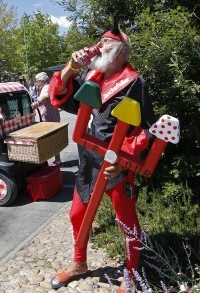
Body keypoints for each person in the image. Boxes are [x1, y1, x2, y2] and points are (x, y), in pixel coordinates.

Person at [48, 29, 156, 292]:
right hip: (87, 162)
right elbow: (59, 93)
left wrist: (124, 160)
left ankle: (131, 272)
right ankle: (79, 263)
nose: (99, 43)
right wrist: (71, 66)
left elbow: (146, 128)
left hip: (115, 165)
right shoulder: (90, 76)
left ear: (120, 50)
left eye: (106, 41)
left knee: (127, 221)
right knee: (76, 214)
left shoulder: (134, 82)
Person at [31, 72, 61, 164]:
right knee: (53, 138)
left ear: (41, 81)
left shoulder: (46, 87)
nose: (36, 83)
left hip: (48, 117)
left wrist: (37, 103)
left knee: (48, 139)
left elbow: (45, 96)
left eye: (37, 81)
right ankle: (56, 159)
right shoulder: (43, 88)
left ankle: (54, 160)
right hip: (49, 116)